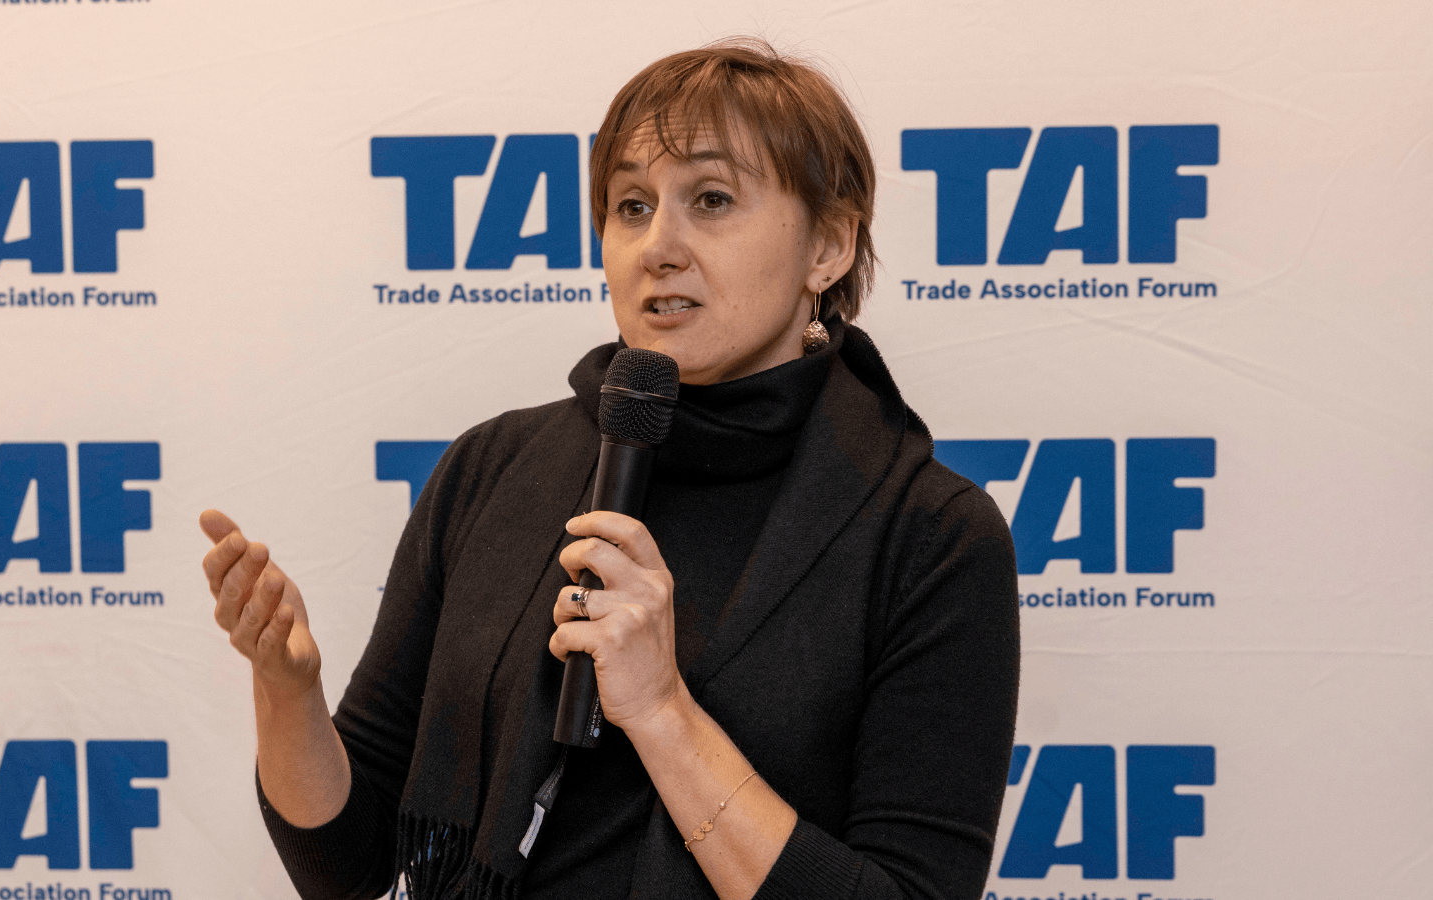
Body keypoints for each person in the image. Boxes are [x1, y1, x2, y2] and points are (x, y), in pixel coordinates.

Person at [200, 39, 1019, 900]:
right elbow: (347, 867)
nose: (658, 246)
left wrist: (662, 712)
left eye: (711, 199)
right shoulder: (492, 468)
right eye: (631, 206)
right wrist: (287, 692)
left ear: (829, 246)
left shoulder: (931, 537)